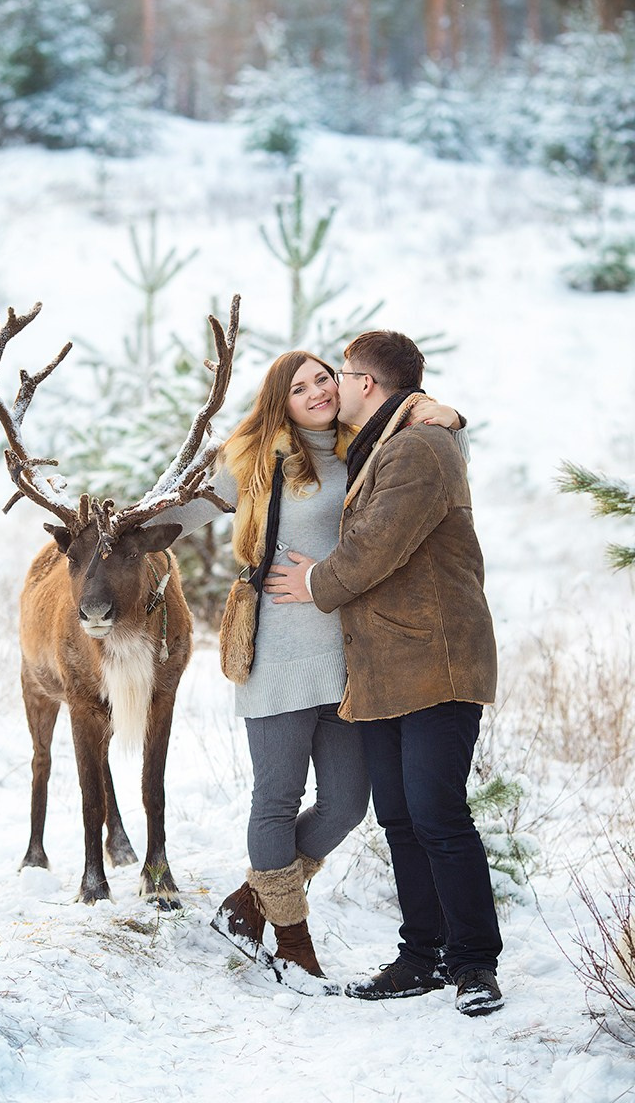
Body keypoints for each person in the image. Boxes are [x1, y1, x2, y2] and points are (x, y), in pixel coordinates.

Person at [154, 349, 466, 996]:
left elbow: (433, 446)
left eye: (325, 377)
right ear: (280, 402)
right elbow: (174, 513)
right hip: (278, 656)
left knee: (349, 802)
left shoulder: (367, 447)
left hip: (353, 659)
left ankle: (247, 905)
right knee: (276, 799)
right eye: (300, 387)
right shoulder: (254, 458)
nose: (318, 390)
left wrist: (444, 410)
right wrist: (111, 532)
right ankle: (294, 946)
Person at [265, 330, 503, 1017]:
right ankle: (420, 956)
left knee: (437, 813)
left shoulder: (418, 449)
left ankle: (475, 964)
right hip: (382, 667)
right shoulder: (379, 447)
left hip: (436, 659)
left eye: (341, 375)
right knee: (399, 816)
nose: (332, 388)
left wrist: (315, 582)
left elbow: (375, 550)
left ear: (368, 385)